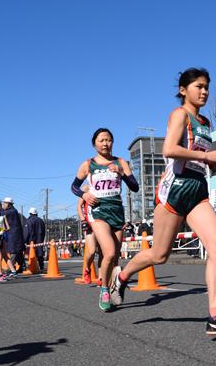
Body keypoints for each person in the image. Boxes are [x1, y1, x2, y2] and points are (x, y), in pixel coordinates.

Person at [110, 67, 216, 336]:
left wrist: (213, 162)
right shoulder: (179, 114)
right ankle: (122, 276)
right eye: (199, 86)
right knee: (159, 255)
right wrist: (205, 157)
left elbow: (198, 156)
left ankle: (215, 318)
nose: (204, 91)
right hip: (174, 192)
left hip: (197, 191)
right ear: (184, 90)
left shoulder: (206, 124)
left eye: (207, 87)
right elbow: (169, 149)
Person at [71, 127, 139, 311]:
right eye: (101, 140)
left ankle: (112, 286)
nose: (105, 143)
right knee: (108, 252)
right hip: (98, 211)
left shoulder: (121, 162)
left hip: (116, 211)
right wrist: (84, 196)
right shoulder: (88, 164)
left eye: (108, 140)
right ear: (94, 143)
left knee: (114, 257)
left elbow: (135, 187)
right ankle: (104, 290)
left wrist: (122, 174)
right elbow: (74, 186)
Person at [77, 187, 101, 283]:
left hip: (102, 222)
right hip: (90, 224)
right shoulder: (86, 188)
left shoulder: (103, 187)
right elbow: (79, 206)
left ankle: (101, 277)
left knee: (102, 252)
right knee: (91, 251)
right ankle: (87, 268)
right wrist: (83, 220)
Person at [2, 197, 23, 276]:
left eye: (4, 203)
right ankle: (22, 266)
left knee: (13, 251)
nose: (3, 205)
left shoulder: (10, 212)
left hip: (13, 234)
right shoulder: (13, 211)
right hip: (15, 234)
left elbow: (1, 215)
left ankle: (10, 269)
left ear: (8, 204)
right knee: (18, 251)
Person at [25, 207, 46, 271]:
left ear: (30, 213)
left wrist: (25, 240)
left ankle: (32, 267)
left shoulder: (29, 221)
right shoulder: (41, 221)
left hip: (31, 240)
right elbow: (44, 231)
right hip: (40, 239)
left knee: (31, 253)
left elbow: (26, 232)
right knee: (40, 252)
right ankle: (41, 266)